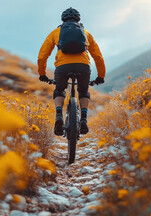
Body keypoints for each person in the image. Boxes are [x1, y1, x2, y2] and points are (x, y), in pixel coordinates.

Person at [37, 7, 106, 136]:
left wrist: (42, 74)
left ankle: (59, 116)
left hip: (63, 67)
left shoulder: (55, 32)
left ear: (63, 20)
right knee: (83, 91)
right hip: (83, 66)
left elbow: (42, 55)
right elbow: (98, 57)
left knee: (59, 90)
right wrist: (100, 76)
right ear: (78, 20)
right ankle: (84, 119)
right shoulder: (86, 33)